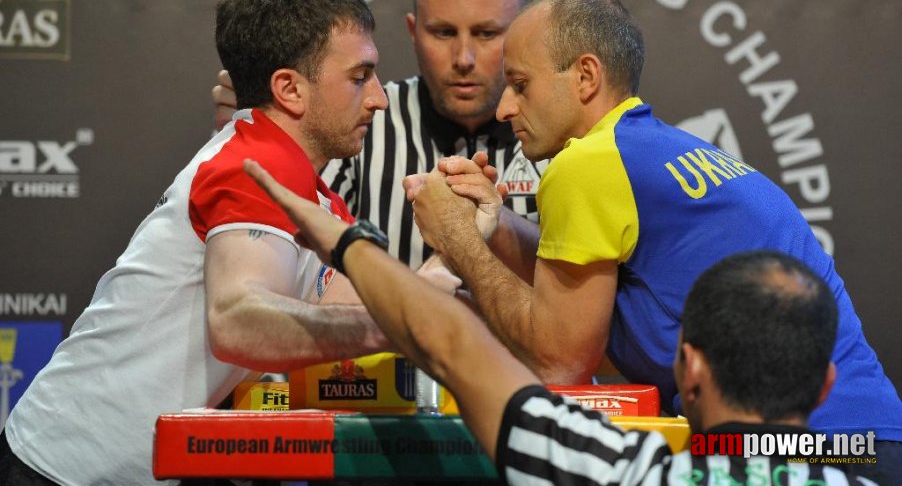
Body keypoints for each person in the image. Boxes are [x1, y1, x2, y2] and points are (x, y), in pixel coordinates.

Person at [405, 0, 902, 482]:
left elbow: (559, 363)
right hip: (865, 441)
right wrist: (493, 221)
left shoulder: (588, 164)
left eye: (520, 84)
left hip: (800, 452)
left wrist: (459, 240)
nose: (504, 109)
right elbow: (591, 280)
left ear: (585, 76)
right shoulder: (650, 150)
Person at [0, 0, 404, 486]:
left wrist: (458, 245)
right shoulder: (253, 165)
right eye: (358, 76)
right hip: (61, 471)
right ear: (290, 89)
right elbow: (238, 325)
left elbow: (367, 313)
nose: (379, 98)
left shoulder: (307, 191)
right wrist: (395, 325)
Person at [242, 159, 879, 484]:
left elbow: (452, 344)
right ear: (825, 385)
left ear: (690, 367)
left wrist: (346, 241)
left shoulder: (617, 470)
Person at [213, 0, 542, 276]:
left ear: (520, 33)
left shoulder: (561, 128)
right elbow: (306, 275)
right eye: (443, 33)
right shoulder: (356, 118)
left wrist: (495, 222)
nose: (463, 59)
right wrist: (263, 134)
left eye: (486, 33)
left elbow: (581, 281)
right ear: (414, 32)